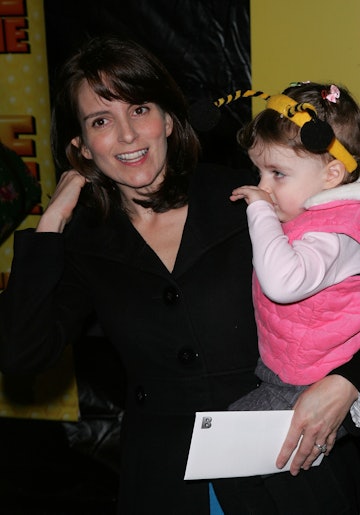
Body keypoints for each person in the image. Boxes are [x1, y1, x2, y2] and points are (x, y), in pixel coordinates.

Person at [0, 37, 360, 515]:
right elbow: (21, 353)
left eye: (140, 109)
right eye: (101, 121)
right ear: (81, 145)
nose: (127, 136)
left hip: (288, 461)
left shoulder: (251, 197)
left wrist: (349, 383)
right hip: (167, 479)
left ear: (168, 119)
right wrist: (52, 223)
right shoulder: (88, 241)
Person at [228, 82, 360, 433]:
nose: (264, 186)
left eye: (278, 174)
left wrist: (259, 210)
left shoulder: (334, 233)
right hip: (289, 367)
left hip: (314, 378)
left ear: (332, 175)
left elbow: (283, 284)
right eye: (260, 173)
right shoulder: (306, 214)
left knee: (230, 439)